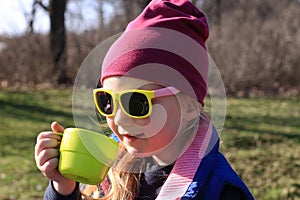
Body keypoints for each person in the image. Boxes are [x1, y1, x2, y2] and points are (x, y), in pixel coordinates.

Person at [34, 0, 255, 199]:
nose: (118, 119)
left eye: (137, 103)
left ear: (188, 106)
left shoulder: (221, 192)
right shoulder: (111, 167)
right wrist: (63, 187)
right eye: (107, 101)